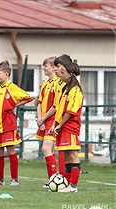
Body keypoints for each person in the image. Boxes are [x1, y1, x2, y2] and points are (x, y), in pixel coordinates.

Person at [0, 60, 33, 186]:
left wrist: (14, 105)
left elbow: (29, 97)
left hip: (8, 124)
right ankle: (0, 180)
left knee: (10, 151)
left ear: (7, 74)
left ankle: (14, 180)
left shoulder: (12, 88)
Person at [52, 62, 83, 192]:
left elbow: (71, 111)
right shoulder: (66, 90)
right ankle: (65, 185)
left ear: (70, 74)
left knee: (73, 155)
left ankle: (73, 186)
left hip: (70, 127)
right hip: (62, 126)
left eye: (63, 72)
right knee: (65, 157)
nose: (60, 74)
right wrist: (55, 125)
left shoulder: (76, 91)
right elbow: (59, 110)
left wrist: (60, 125)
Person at [35, 56, 60, 188]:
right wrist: (40, 119)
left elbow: (56, 106)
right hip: (44, 120)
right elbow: (39, 103)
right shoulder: (44, 84)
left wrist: (43, 119)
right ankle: (53, 178)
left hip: (53, 120)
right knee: (48, 149)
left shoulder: (58, 83)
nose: (43, 68)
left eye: (46, 66)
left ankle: (53, 179)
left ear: (53, 67)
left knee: (46, 148)